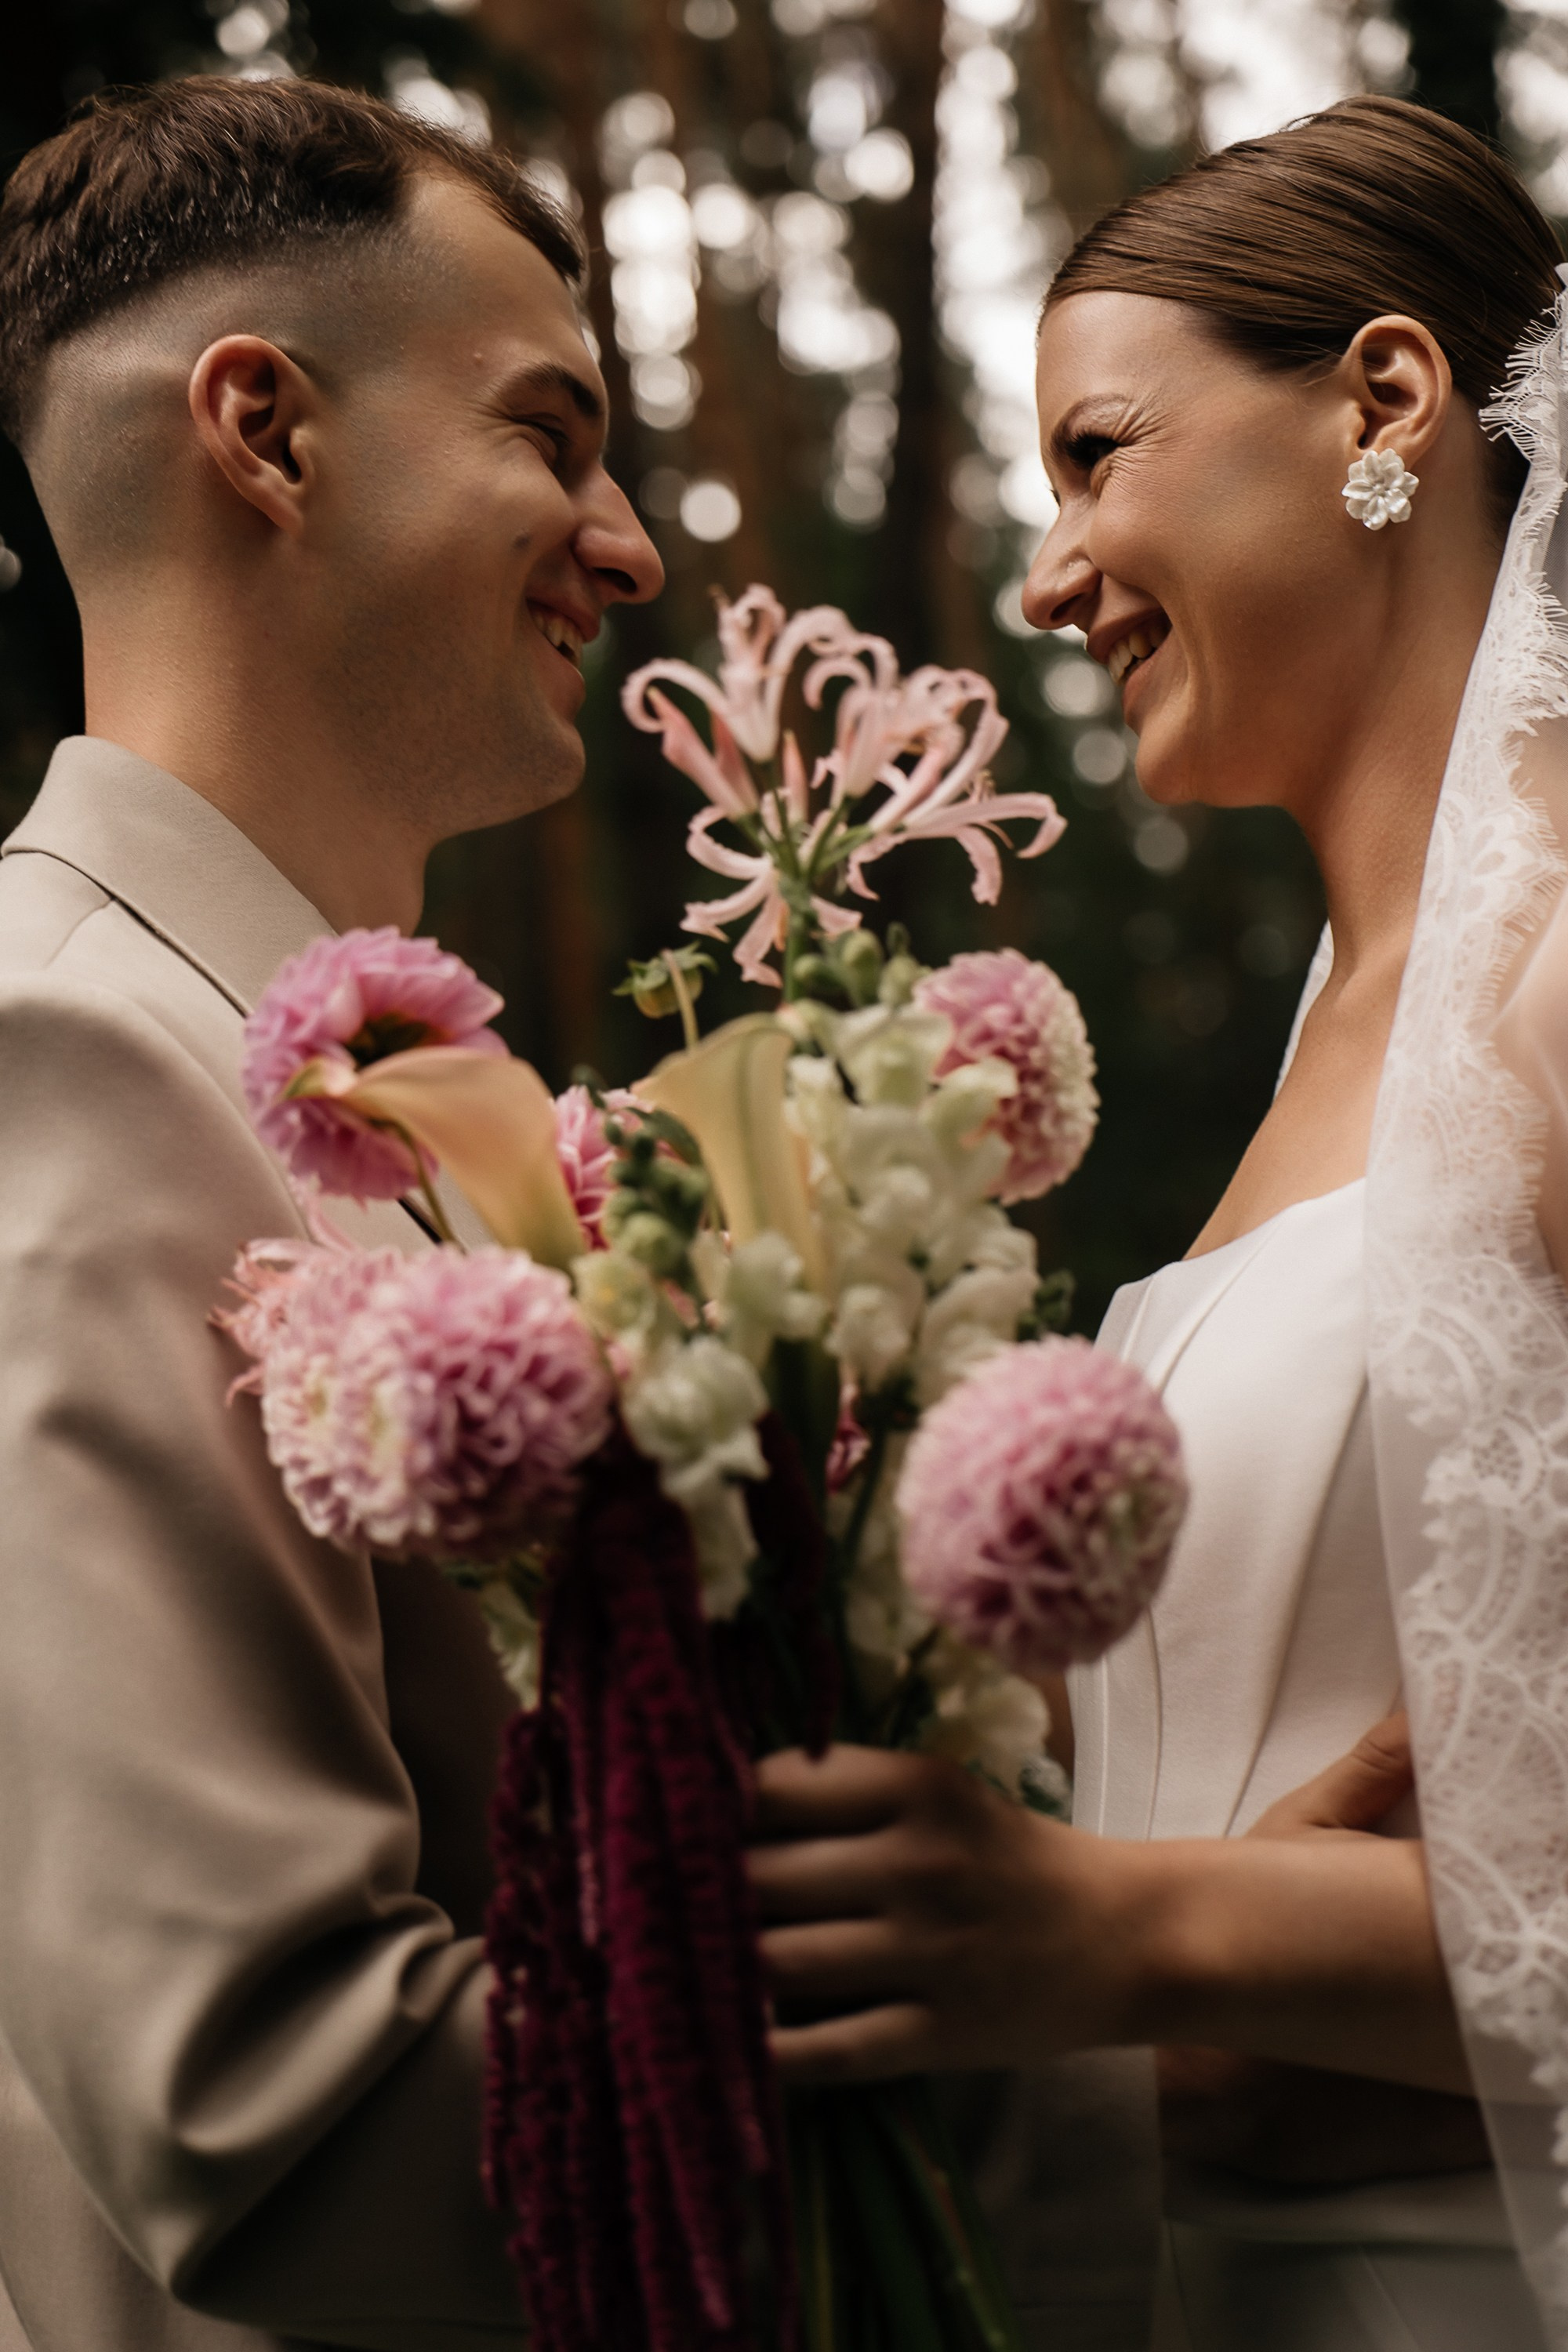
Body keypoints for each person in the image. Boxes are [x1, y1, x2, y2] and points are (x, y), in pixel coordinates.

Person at [749, 95, 1568, 2352]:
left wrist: (1115, 1940)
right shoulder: (1344, 1019)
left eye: (1100, 454)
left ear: (1385, 407)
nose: (1046, 576)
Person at [0, 76, 660, 2350]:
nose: (630, 538)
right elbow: (270, 2098)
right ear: (267, 436)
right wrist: (1102, 2052)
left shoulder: (416, 1108)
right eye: (553, 433)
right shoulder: (62, 1062)